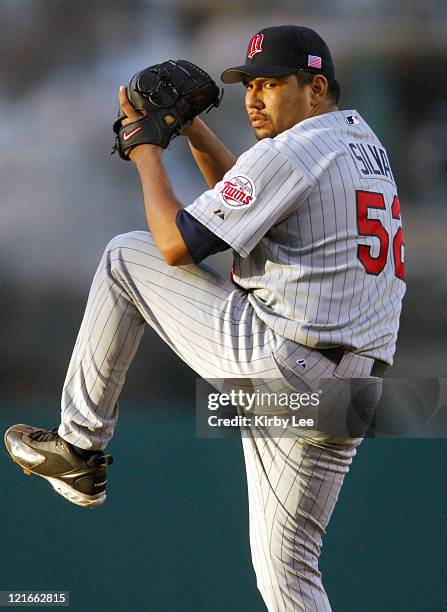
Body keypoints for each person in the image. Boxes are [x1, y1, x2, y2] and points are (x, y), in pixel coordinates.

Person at [4, 25, 405, 611]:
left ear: (316, 88)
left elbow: (175, 244)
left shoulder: (292, 152)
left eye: (271, 83)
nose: (254, 97)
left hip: (287, 368)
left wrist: (146, 147)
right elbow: (245, 206)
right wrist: (192, 127)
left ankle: (80, 451)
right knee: (286, 575)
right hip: (348, 398)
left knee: (125, 256)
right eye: (249, 84)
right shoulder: (358, 143)